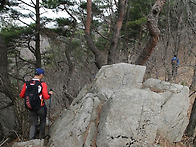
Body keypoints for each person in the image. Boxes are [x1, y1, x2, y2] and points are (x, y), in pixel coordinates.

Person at [20, 68, 53, 140]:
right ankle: (41, 138)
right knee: (43, 121)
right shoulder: (42, 84)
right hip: (40, 107)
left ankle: (31, 139)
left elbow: (22, 95)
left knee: (33, 123)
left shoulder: (27, 83)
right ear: (41, 75)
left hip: (30, 107)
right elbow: (46, 97)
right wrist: (50, 94)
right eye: (43, 75)